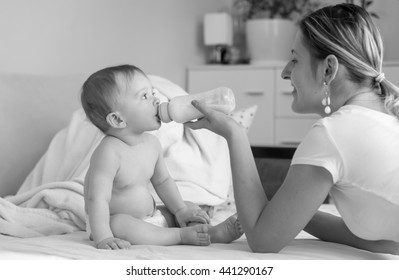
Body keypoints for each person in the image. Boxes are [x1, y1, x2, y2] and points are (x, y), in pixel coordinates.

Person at [186, 3, 399, 255]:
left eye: (295, 59)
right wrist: (291, 211)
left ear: (329, 69)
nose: (285, 72)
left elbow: (262, 240)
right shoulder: (385, 118)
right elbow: (388, 244)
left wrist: (235, 134)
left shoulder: (334, 132)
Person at [81, 64, 243, 249]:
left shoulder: (151, 144)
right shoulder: (109, 152)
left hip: (152, 217)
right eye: (144, 96)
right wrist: (104, 237)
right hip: (110, 224)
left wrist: (180, 210)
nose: (156, 100)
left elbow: (164, 181)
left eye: (153, 92)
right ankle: (180, 235)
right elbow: (97, 199)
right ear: (118, 119)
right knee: (119, 223)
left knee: (188, 206)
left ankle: (212, 233)